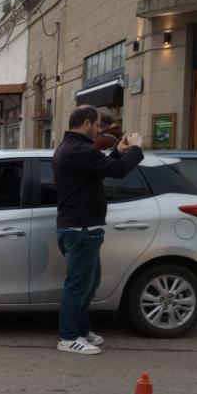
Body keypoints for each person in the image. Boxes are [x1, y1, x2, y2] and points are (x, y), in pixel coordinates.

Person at [53, 105, 144, 355]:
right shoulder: (78, 150)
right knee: (78, 286)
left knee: (88, 285)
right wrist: (136, 148)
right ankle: (68, 337)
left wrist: (117, 150)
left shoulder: (71, 148)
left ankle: (82, 331)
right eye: (97, 125)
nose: (98, 130)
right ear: (86, 123)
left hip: (81, 228)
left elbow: (100, 168)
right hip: (80, 229)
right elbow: (118, 171)